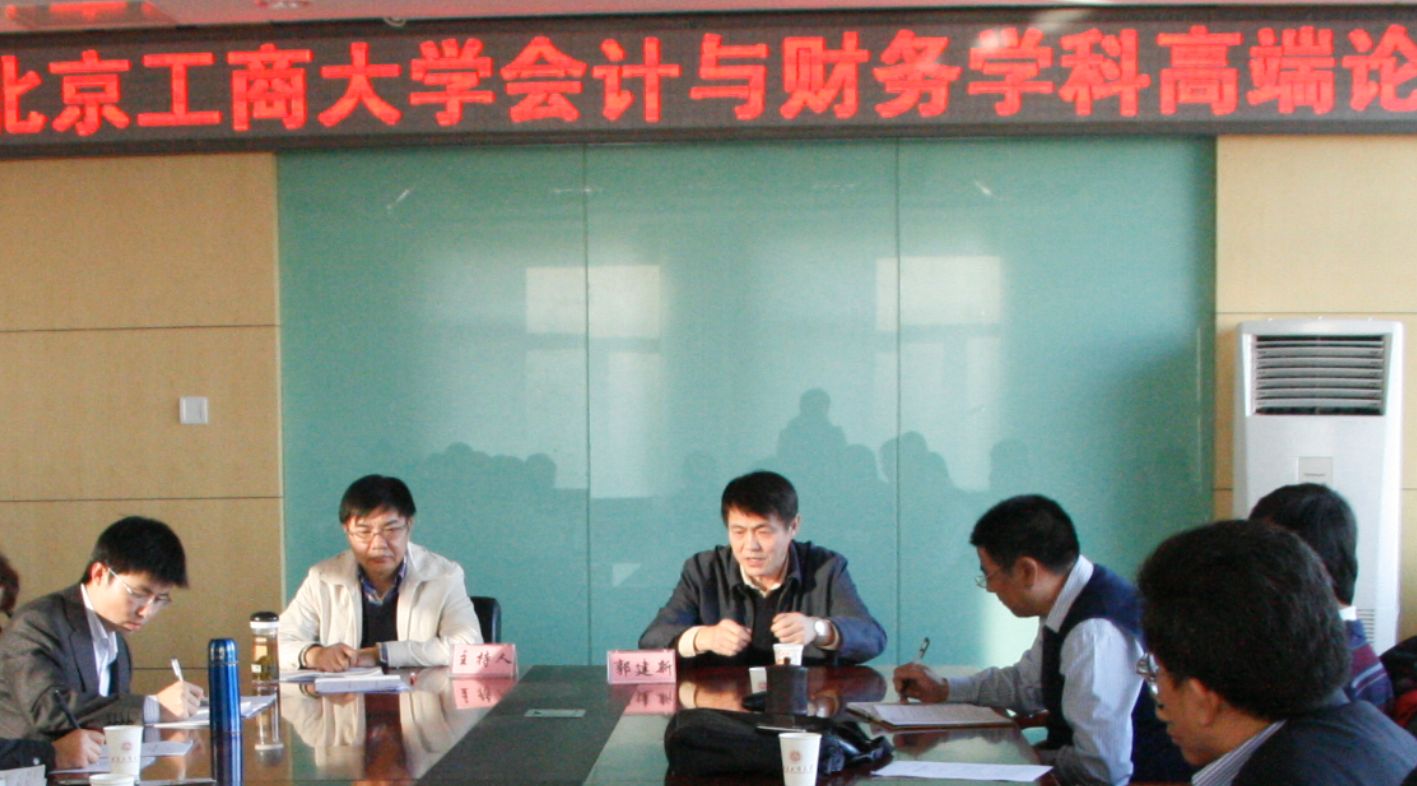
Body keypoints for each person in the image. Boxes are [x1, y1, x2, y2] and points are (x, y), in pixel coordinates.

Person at [893, 495, 1188, 786]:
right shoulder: (1068, 598)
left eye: (989, 575)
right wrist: (944, 689)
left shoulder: (1093, 633)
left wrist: (1018, 760)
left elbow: (1101, 770)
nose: (990, 588)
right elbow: (1026, 684)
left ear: (1026, 570)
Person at [1136, 520, 1417, 785]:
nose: (1160, 706)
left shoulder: (1277, 777)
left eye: (1157, 671)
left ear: (1204, 698)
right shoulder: (1381, 736)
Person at [639, 470, 886, 666]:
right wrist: (704, 637)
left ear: (793, 527)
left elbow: (872, 637)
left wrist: (817, 629)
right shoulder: (704, 571)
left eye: (763, 532)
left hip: (806, 704)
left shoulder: (826, 568)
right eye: (738, 532)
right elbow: (652, 640)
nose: (750, 546)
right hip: (721, 706)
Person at [0, 516, 203, 739]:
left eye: (159, 600)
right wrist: (151, 707)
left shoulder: (118, 642)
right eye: (138, 594)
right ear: (99, 574)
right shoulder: (37, 623)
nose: (146, 612)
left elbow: (111, 723)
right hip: (30, 760)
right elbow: (48, 710)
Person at [279, 474, 483, 672]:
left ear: (409, 525)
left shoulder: (444, 576)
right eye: (364, 532)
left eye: (391, 530)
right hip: (346, 694)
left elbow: (468, 646)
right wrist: (314, 655)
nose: (378, 544)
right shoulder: (323, 578)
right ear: (346, 530)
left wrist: (381, 654)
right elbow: (277, 642)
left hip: (421, 694)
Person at [1249, 483, 1395, 712]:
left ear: (1313, 564)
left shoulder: (1320, 675)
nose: (1254, 572)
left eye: (1268, 556)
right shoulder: (1353, 653)